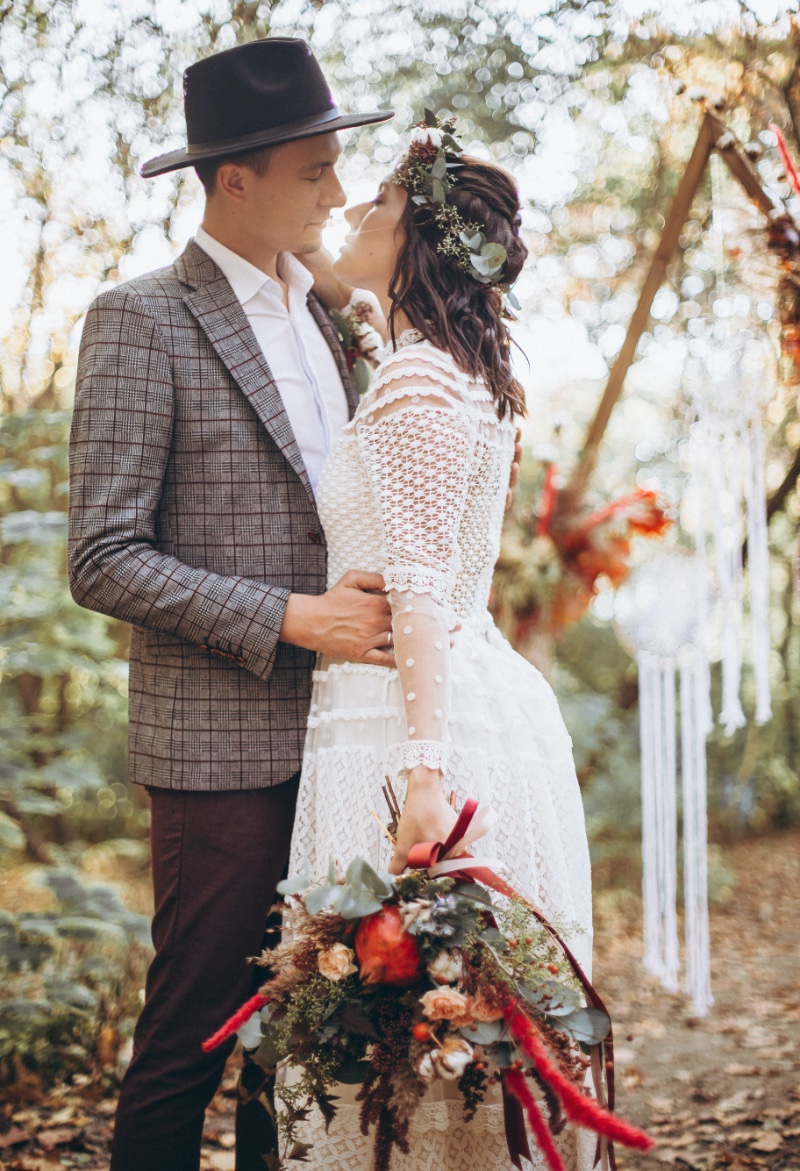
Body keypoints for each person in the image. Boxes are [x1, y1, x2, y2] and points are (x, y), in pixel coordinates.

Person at [68, 38, 398, 1171]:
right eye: (315, 169)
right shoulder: (138, 318)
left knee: (302, 1042)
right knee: (190, 1039)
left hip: (346, 740)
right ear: (234, 178)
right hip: (215, 752)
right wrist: (288, 617)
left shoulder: (332, 321)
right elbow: (103, 556)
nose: (338, 192)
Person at [286, 121, 595, 1170]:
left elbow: (417, 582)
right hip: (450, 698)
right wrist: (369, 327)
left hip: (407, 724)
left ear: (414, 238)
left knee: (421, 1051)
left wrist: (423, 777)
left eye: (376, 202)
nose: (357, 213)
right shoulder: (446, 369)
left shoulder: (419, 383)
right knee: (437, 1050)